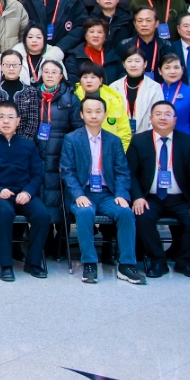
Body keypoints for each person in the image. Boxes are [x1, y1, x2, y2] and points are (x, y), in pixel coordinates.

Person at [60, 94, 145, 285]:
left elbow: (122, 171)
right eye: (89, 111)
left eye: (98, 111)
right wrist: (78, 195)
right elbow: (68, 171)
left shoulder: (114, 141)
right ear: (81, 114)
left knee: (125, 213)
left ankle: (126, 265)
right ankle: (89, 263)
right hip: (84, 192)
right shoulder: (71, 139)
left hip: (108, 194)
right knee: (84, 212)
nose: (93, 115)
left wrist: (122, 195)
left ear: (105, 114)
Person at [127, 100, 190, 279]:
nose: (163, 118)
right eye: (158, 114)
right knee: (141, 217)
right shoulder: (139, 141)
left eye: (167, 114)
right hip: (151, 197)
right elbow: (130, 173)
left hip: (180, 197)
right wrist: (137, 197)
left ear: (175, 119)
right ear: (151, 118)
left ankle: (184, 261)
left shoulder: (187, 142)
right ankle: (158, 261)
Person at [0, 100, 51, 281]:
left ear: (18, 121)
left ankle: (33, 262)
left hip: (25, 193)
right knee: (5, 212)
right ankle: (6, 265)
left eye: (10, 117)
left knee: (42, 215)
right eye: (1, 117)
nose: (6, 121)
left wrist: (28, 192)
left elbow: (38, 175)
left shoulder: (28, 145)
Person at [12, 60, 79, 253]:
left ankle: (59, 244)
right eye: (46, 72)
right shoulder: (31, 95)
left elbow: (76, 129)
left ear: (61, 76)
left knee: (58, 196)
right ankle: (43, 239)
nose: (49, 75)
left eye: (54, 72)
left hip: (60, 153)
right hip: (35, 151)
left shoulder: (70, 98)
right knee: (40, 193)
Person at [73, 63, 134, 150]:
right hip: (80, 149)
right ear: (80, 80)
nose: (89, 81)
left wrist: (120, 153)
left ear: (101, 80)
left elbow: (123, 130)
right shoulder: (73, 98)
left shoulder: (114, 100)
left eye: (93, 77)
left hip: (109, 150)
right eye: (85, 77)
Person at [151, 51, 190, 137]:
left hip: (183, 142)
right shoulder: (153, 90)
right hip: (155, 140)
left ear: (182, 70)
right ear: (160, 71)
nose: (172, 71)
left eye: (176, 67)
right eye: (167, 68)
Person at [113, 48, 164, 137]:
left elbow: (158, 115)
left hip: (146, 138)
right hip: (120, 138)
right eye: (129, 61)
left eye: (137, 61)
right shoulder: (114, 87)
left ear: (145, 64)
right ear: (124, 64)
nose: (133, 65)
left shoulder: (155, 87)